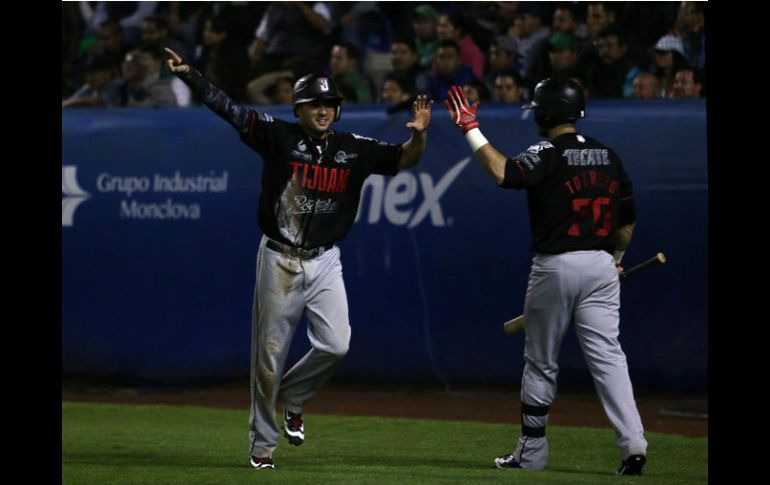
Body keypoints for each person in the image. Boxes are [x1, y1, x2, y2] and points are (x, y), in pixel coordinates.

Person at [164, 47, 433, 470]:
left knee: (336, 344)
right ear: (299, 108)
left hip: (325, 259)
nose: (324, 111)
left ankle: (294, 397)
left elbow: (405, 158)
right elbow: (232, 111)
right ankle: (262, 449)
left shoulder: (354, 147)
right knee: (269, 357)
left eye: (330, 104)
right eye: (315, 104)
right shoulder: (278, 136)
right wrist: (192, 76)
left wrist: (418, 134)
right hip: (279, 258)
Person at [443, 78, 647, 475]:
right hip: (602, 268)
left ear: (549, 111)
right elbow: (626, 226)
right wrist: (615, 260)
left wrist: (470, 128)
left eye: (538, 108)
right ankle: (634, 447)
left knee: (540, 363)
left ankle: (531, 454)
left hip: (555, 266)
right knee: (610, 360)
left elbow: (503, 173)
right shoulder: (610, 156)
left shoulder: (547, 150)